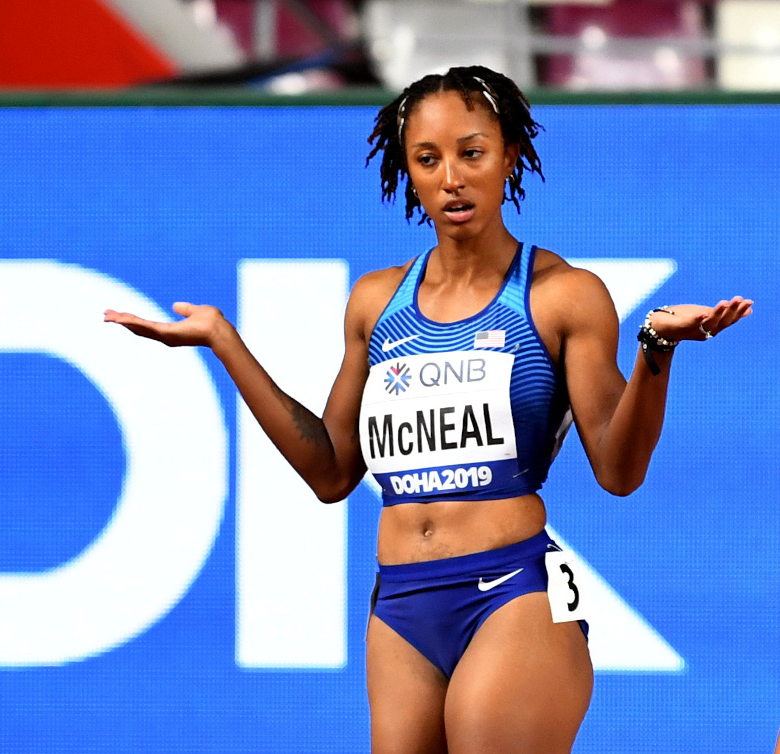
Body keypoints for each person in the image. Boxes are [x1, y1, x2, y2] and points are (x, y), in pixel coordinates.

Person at [104, 66, 752, 754]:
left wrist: (655, 347)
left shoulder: (562, 295)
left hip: (513, 596)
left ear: (507, 157)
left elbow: (620, 471)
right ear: (406, 172)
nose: (452, 177)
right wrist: (224, 344)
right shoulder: (376, 304)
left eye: (471, 153)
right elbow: (329, 472)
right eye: (428, 159)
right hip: (402, 606)